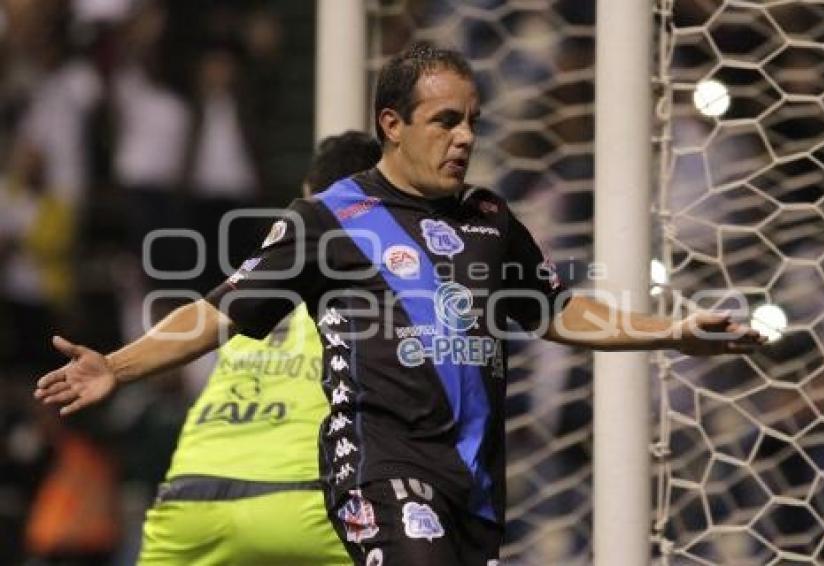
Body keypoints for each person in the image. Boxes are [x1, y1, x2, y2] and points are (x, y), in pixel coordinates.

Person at [35, 43, 765, 566]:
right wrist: (118, 367)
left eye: (472, 120)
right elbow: (221, 309)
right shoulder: (328, 217)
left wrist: (671, 330)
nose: (465, 137)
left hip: (474, 481)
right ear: (392, 124)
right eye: (445, 121)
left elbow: (556, 310)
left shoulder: (491, 217)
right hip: (380, 466)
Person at [137, 131, 381, 566]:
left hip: (190, 497)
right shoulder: (377, 287)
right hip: (308, 501)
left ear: (306, 194)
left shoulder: (254, 287)